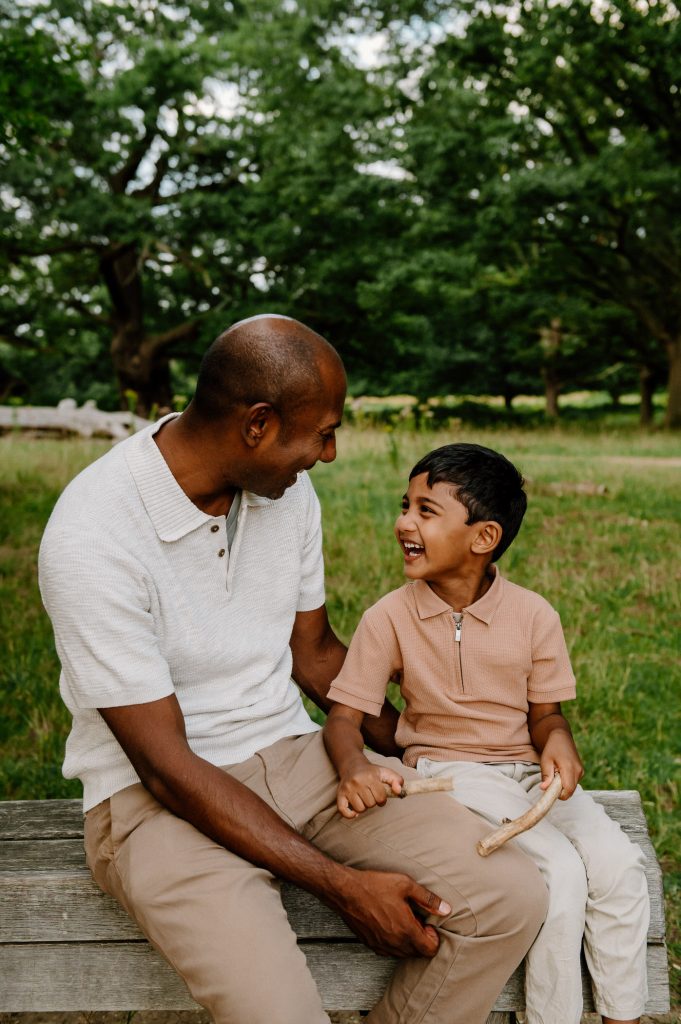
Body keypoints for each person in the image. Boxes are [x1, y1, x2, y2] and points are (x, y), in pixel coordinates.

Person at [38, 318, 547, 1024]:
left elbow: (315, 657)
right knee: (278, 1011)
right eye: (322, 434)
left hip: (296, 756)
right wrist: (343, 888)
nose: (328, 454)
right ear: (258, 424)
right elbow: (165, 767)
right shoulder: (92, 536)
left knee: (508, 898)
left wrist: (436, 741)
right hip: (154, 802)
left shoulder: (285, 492)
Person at [323, 442, 650, 1024]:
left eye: (426, 511)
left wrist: (558, 738)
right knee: (559, 874)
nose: (404, 523)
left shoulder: (534, 615)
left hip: (529, 777)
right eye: (406, 506)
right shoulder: (388, 617)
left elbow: (546, 715)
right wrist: (354, 767)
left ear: (484, 538)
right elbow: (344, 718)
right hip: (452, 777)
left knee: (619, 866)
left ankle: (623, 1016)